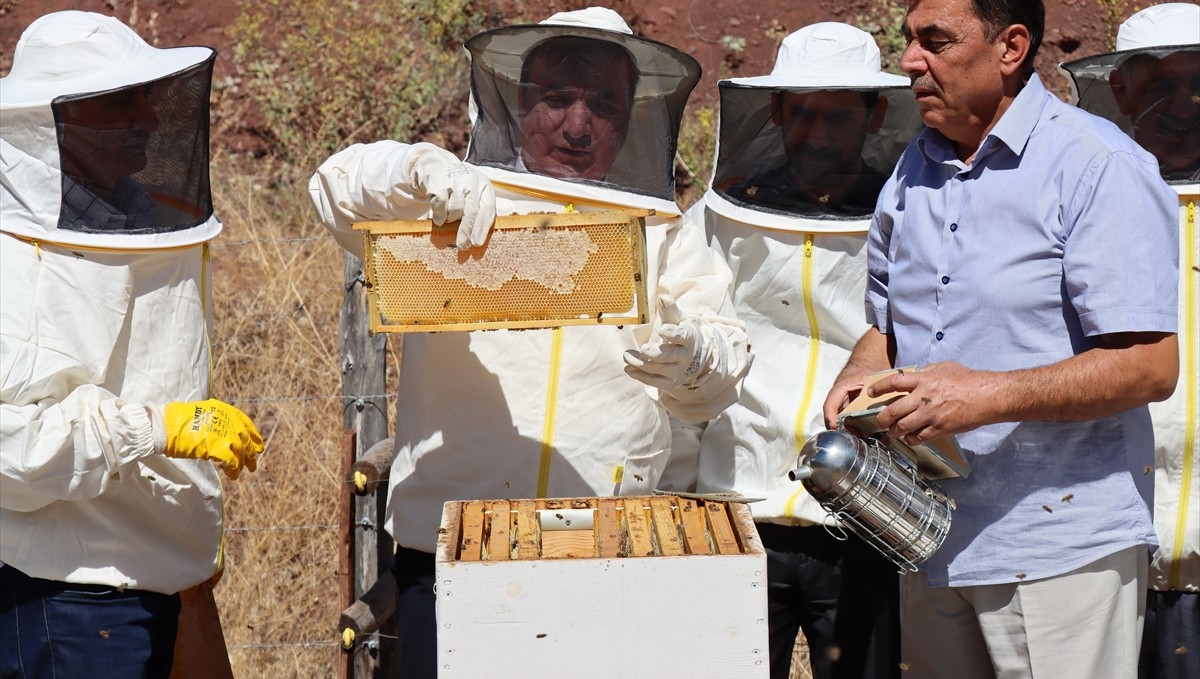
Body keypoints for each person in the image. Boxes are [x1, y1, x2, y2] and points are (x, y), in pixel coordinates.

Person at [308, 7, 752, 677]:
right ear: (519, 103)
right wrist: (416, 168)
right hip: (450, 551)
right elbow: (333, 187)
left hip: (606, 553)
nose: (578, 124)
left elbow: (721, 367)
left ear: (631, 118)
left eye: (603, 105)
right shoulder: (455, 202)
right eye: (557, 97)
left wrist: (689, 354)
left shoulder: (662, 231)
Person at [820, 0, 1180, 677]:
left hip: (1057, 550)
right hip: (927, 533)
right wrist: (858, 375)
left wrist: (983, 396)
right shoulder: (914, 167)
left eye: (935, 42)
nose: (910, 61)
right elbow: (888, 323)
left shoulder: (1096, 165)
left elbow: (1150, 366)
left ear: (1010, 48)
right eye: (909, 40)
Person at [0, 11, 263, 679]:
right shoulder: (14, 262)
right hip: (65, 593)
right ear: (59, 120)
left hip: (148, 577)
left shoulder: (133, 218)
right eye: (122, 103)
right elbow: (9, 447)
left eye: (147, 96)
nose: (148, 118)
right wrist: (155, 428)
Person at [675, 23, 922, 679]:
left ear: (875, 115)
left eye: (838, 116)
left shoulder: (911, 214)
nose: (818, 134)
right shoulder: (724, 213)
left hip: (863, 512)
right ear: (777, 111)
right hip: (737, 510)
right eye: (803, 113)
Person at [1060, 5, 1200, 677]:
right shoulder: (1078, 194)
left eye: (1198, 84)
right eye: (1160, 85)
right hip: (1102, 550)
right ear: (1119, 90)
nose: (1184, 105)